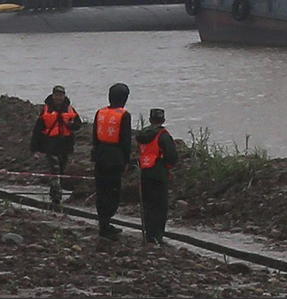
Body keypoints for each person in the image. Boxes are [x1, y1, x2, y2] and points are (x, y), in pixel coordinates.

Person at [30, 85, 82, 207]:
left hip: (65, 145)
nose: (59, 97)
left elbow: (78, 125)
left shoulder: (70, 109)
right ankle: (56, 197)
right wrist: (35, 149)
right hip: (50, 145)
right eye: (57, 95)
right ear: (53, 96)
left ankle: (54, 194)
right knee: (55, 170)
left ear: (64, 96)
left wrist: (71, 125)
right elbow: (37, 130)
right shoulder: (46, 110)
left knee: (61, 170)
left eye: (61, 95)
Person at [91, 82, 132, 239]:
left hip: (100, 155)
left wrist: (95, 154)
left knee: (101, 191)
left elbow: (95, 136)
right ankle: (106, 224)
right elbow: (125, 140)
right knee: (113, 192)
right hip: (115, 158)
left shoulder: (100, 112)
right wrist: (127, 160)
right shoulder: (124, 115)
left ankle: (103, 223)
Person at [136, 108, 178, 245]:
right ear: (163, 120)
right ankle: (157, 236)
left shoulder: (142, 135)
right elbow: (172, 157)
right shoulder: (163, 135)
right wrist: (168, 167)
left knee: (148, 205)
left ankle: (149, 234)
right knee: (160, 206)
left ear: (150, 119)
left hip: (144, 172)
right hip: (159, 173)